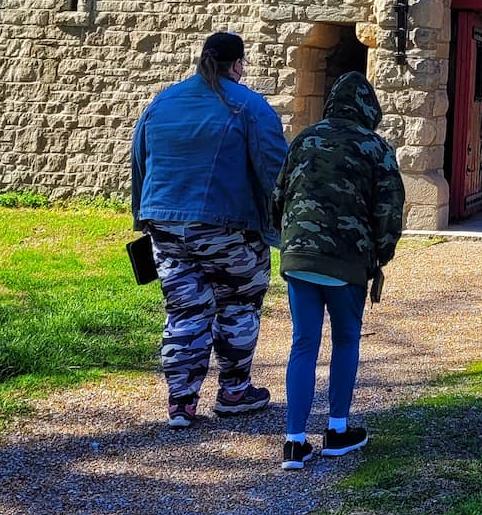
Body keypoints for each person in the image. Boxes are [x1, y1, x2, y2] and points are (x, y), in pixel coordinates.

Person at [130, 31, 288, 428]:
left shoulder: (162, 102)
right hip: (228, 224)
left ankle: (181, 402)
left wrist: (143, 217)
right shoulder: (249, 106)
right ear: (237, 65)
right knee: (238, 303)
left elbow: (140, 162)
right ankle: (234, 390)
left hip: (165, 223)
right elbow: (275, 170)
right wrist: (282, 222)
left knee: (184, 310)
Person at [271, 70, 405, 468]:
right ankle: (337, 429)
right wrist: (380, 256)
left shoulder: (304, 140)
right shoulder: (374, 147)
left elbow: (278, 195)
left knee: (303, 343)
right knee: (346, 340)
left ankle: (294, 441)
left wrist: (289, 240)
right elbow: (389, 210)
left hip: (299, 257)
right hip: (348, 260)